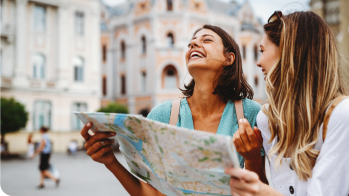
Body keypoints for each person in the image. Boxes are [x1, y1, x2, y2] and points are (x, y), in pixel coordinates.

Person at [81, 25, 266, 195]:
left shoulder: (251, 113)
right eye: (191, 42)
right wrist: (112, 163)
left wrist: (254, 159)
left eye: (206, 40)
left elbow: (261, 191)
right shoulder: (163, 115)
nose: (193, 43)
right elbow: (154, 193)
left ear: (229, 58)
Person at [225, 11, 349, 196]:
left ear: (289, 52)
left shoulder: (347, 115)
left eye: (262, 51)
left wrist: (259, 190)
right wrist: (251, 158)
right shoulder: (267, 119)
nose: (258, 62)